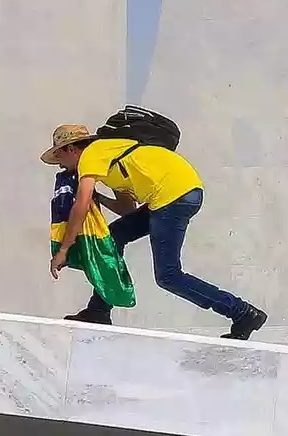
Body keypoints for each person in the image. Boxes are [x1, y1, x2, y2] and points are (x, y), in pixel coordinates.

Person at [40, 123, 267, 340]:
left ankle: (242, 313)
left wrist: (64, 249)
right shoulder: (109, 154)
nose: (60, 166)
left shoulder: (91, 156)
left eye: (59, 157)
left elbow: (79, 206)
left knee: (169, 276)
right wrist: (99, 198)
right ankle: (98, 310)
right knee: (115, 235)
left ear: (71, 149)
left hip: (172, 197)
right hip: (180, 192)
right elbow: (127, 209)